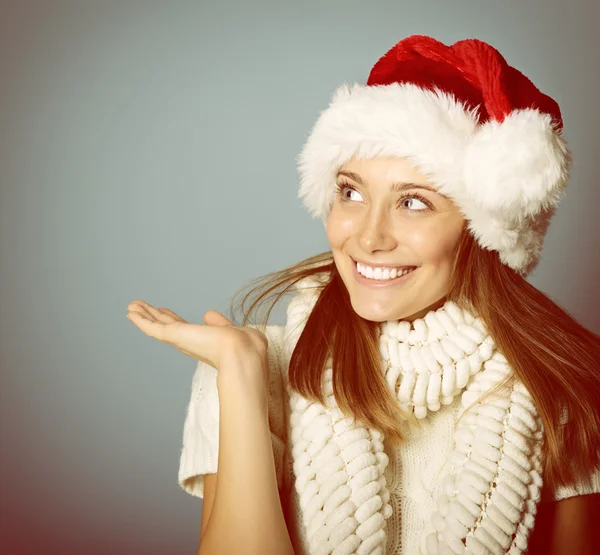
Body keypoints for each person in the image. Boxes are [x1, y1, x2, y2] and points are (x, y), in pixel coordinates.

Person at [127, 35, 600, 554]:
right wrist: (239, 371)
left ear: (480, 231)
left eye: (413, 203)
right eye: (350, 193)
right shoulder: (248, 370)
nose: (368, 237)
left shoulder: (563, 390)